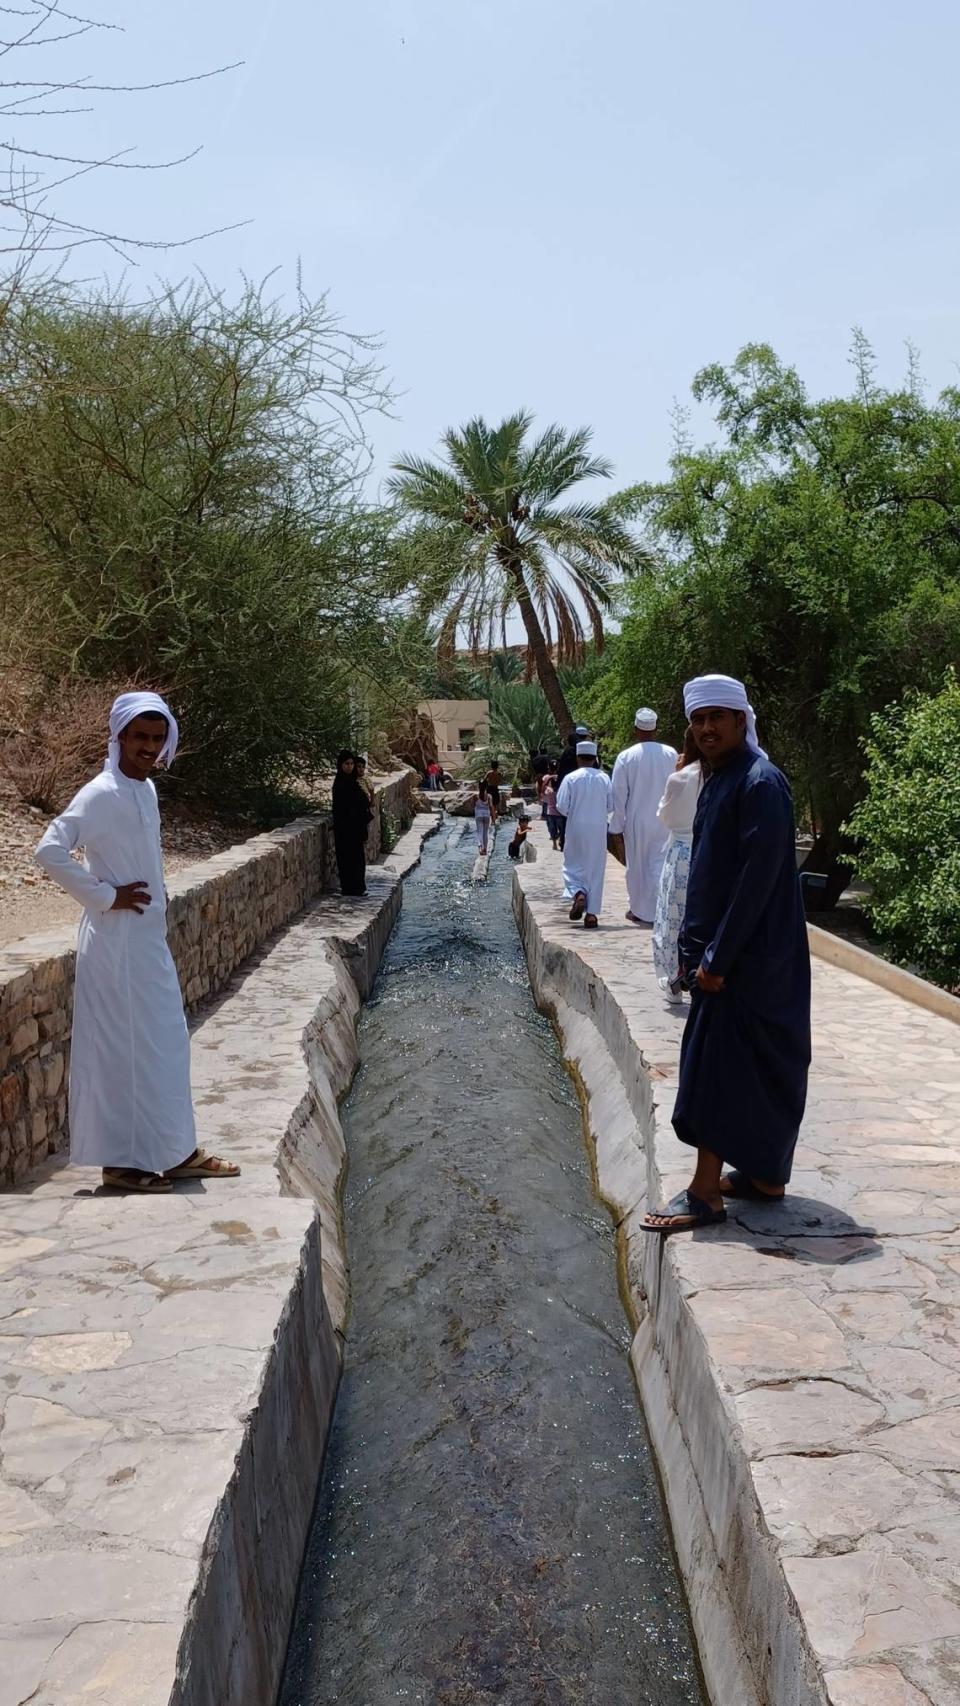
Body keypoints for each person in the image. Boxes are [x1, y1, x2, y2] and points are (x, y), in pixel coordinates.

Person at [34, 691, 241, 1193]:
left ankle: (175, 1150)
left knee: (164, 1045)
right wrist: (104, 896)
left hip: (147, 943)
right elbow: (49, 850)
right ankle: (122, 1162)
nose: (148, 746)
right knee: (122, 1052)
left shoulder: (145, 791)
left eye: (157, 737)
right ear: (120, 737)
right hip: (115, 946)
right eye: (140, 737)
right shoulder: (100, 792)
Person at [644, 675, 811, 1233]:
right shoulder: (718, 779)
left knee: (719, 1069)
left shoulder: (761, 783)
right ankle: (765, 1176)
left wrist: (716, 958)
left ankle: (705, 1194)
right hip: (722, 954)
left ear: (743, 719)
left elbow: (754, 882)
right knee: (752, 1066)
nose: (707, 728)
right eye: (698, 719)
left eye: (718, 716)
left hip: (750, 958)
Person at [609, 708, 677, 926]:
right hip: (666, 817)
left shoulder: (626, 756)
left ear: (635, 729)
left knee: (637, 866)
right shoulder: (671, 753)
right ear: (655, 729)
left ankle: (640, 910)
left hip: (637, 820)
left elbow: (619, 793)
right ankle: (660, 909)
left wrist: (616, 824)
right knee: (661, 863)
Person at [651, 727, 703, 1000]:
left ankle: (674, 977)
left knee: (673, 918)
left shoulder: (680, 778)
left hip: (681, 852)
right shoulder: (721, 776)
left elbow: (665, 816)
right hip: (709, 850)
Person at [555, 741, 613, 928]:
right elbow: (611, 805)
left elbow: (561, 806)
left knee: (572, 864)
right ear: (595, 758)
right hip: (598, 829)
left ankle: (579, 893)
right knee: (596, 868)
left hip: (576, 828)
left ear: (578, 758)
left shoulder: (571, 778)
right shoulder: (604, 778)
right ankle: (592, 915)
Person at [332, 749, 372, 896]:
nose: (349, 767)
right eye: (346, 764)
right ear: (340, 765)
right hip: (345, 829)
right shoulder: (340, 783)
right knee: (347, 859)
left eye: (351, 764)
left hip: (355, 829)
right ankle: (349, 888)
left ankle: (358, 887)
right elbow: (343, 806)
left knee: (357, 860)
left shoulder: (353, 782)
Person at [542, 774, 562, 850]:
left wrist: (549, 778)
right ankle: (559, 838)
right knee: (562, 829)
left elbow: (544, 787)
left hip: (550, 813)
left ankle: (554, 844)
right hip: (559, 813)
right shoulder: (561, 791)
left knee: (552, 829)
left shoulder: (548, 790)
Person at [474, 778, 492, 853]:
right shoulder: (489, 796)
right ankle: (485, 849)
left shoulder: (475, 796)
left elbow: (474, 806)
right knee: (485, 833)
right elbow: (491, 807)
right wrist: (493, 819)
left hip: (478, 815)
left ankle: (481, 848)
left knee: (480, 832)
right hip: (487, 815)